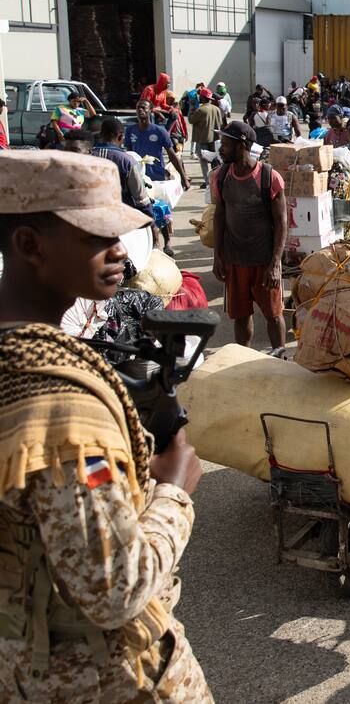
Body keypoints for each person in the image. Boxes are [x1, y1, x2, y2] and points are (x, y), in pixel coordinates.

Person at [0, 149, 210, 701]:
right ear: (29, 245)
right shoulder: (64, 413)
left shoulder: (17, 361)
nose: (120, 251)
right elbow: (114, 588)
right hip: (105, 679)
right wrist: (173, 491)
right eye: (97, 236)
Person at [211, 121, 287, 354]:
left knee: (273, 315)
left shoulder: (269, 177)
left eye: (225, 144)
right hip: (235, 259)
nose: (221, 149)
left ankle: (280, 357)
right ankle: (242, 360)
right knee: (241, 316)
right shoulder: (220, 176)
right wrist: (217, 256)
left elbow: (281, 222)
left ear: (242, 144)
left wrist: (275, 262)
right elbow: (220, 215)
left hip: (264, 261)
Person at [125, 100, 190, 256]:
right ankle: (153, 243)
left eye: (144, 108)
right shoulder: (130, 131)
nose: (141, 110)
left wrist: (183, 176)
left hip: (158, 178)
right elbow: (129, 155)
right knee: (146, 211)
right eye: (138, 107)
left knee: (162, 210)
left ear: (150, 111)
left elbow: (173, 155)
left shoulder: (159, 131)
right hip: (140, 178)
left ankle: (167, 242)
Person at [91, 117, 155, 220]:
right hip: (120, 218)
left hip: (90, 218)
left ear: (101, 135)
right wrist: (151, 223)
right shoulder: (127, 160)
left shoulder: (86, 156)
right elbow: (141, 198)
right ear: (120, 137)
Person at [187, 87, 224, 186]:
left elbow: (191, 120)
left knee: (203, 162)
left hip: (202, 139)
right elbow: (220, 123)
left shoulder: (200, 110)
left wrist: (191, 108)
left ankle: (208, 182)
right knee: (215, 161)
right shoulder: (216, 109)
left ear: (203, 98)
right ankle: (216, 180)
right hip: (215, 138)